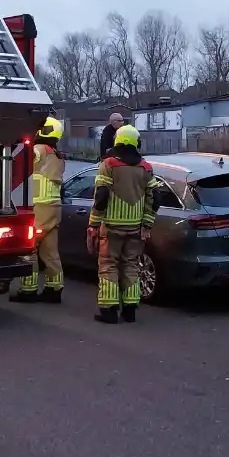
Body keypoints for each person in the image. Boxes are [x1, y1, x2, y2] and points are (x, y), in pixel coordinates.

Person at [87, 125, 159, 324]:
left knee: (108, 266)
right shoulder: (146, 167)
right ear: (137, 142)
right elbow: (155, 197)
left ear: (117, 141)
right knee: (131, 265)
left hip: (111, 227)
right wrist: (147, 224)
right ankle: (130, 310)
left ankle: (108, 311)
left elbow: (101, 196)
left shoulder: (108, 164)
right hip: (135, 227)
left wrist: (93, 224)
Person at [10, 116, 66, 303]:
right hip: (54, 209)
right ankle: (54, 288)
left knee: (29, 249)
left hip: (38, 208)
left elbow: (19, 161)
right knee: (51, 252)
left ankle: (28, 290)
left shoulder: (38, 150)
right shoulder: (58, 155)